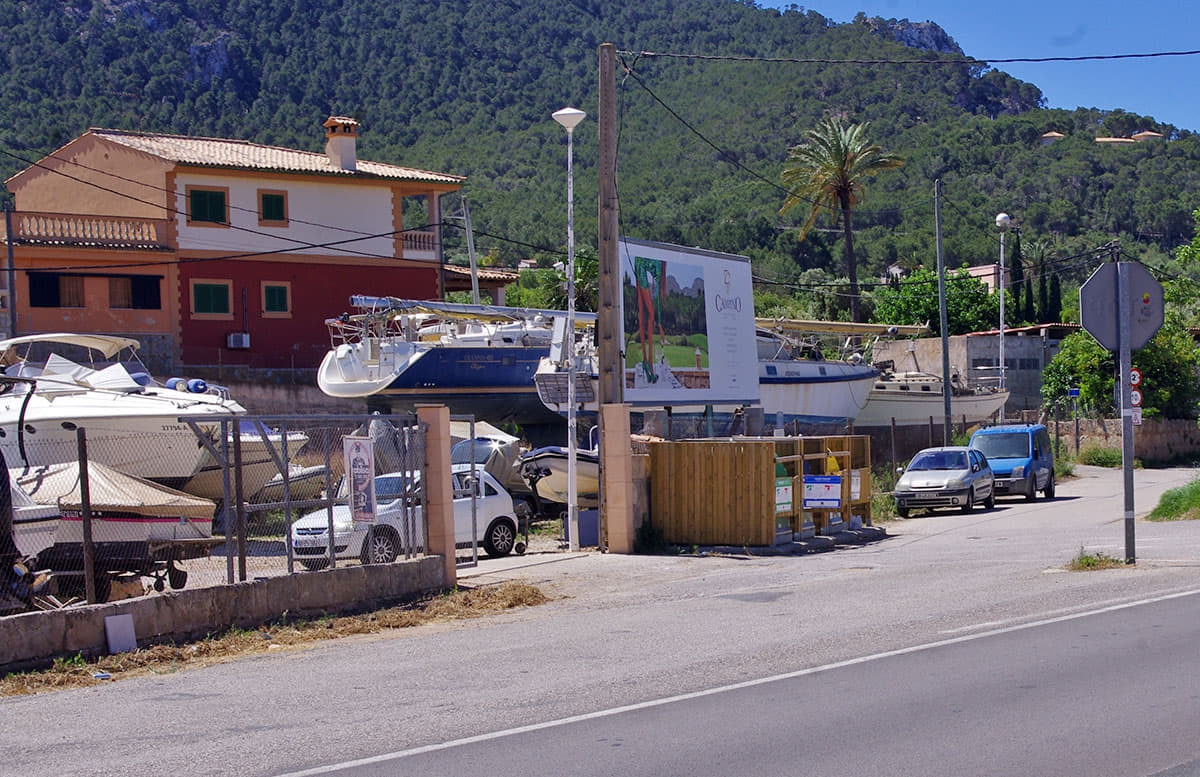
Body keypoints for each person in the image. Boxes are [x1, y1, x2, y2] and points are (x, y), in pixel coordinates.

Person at [633, 255, 667, 384]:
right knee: (649, 313)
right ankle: (649, 365)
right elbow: (658, 296)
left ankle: (647, 363)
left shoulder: (660, 264)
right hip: (640, 265)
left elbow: (659, 293)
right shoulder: (659, 263)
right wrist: (660, 324)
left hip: (640, 264)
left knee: (643, 313)